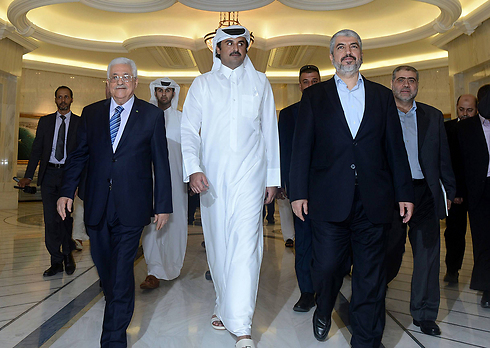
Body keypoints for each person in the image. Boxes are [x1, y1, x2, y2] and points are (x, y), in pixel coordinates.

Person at [289, 29, 414, 347]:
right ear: (331, 56)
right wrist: (298, 192)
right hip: (328, 199)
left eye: (354, 46)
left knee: (371, 276)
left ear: (361, 55)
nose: (348, 52)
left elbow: (395, 149)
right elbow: (302, 147)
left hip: (374, 200)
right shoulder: (314, 97)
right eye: (341, 47)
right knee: (329, 265)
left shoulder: (382, 96)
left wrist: (404, 193)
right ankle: (324, 306)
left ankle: (367, 340)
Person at [57, 57, 172, 348]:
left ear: (135, 82)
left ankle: (113, 340)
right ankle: (115, 300)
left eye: (126, 77)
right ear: (107, 84)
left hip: (133, 206)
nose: (120, 81)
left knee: (121, 273)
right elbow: (79, 156)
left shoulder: (151, 115)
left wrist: (163, 204)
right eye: (115, 77)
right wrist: (65, 191)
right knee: (105, 267)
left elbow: (161, 162)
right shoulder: (91, 113)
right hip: (96, 203)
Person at [181, 25, 280, 348]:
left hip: (251, 178)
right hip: (212, 181)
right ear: (218, 50)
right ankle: (223, 305)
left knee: (247, 247)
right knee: (221, 246)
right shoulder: (202, 85)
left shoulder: (261, 83)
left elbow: (270, 135)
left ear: (247, 48)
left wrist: (272, 179)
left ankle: (242, 326)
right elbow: (188, 132)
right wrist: (193, 169)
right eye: (229, 44)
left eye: (241, 43)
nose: (236, 48)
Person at [386, 66, 455, 336]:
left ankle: (425, 314)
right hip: (391, 198)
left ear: (417, 85)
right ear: (392, 83)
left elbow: (443, 158)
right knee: (387, 256)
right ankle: (372, 304)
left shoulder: (433, 116)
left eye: (411, 80)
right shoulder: (381, 115)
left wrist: (448, 191)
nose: (406, 85)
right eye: (401, 80)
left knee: (428, 258)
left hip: (424, 194)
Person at [18, 86, 80, 277]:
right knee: (51, 220)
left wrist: (80, 180)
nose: (62, 100)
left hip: (68, 177)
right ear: (55, 99)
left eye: (66, 97)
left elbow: (83, 153)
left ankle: (68, 253)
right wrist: (28, 175)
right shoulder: (45, 122)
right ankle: (56, 261)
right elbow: (36, 150)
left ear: (71, 99)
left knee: (65, 219)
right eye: (59, 97)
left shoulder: (79, 123)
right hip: (49, 175)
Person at [278, 64, 321, 312]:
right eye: (306, 82)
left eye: (315, 81)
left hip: (330, 188)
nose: (310, 86)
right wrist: (285, 184)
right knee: (303, 240)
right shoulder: (289, 114)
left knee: (329, 240)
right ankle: (306, 291)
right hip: (301, 189)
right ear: (300, 85)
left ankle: (326, 286)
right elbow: (284, 151)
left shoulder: (333, 110)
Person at [139, 77, 187, 289]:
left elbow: (191, 152)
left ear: (173, 94)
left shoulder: (183, 119)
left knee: (176, 224)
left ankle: (173, 266)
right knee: (152, 225)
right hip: (149, 180)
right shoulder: (146, 118)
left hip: (176, 182)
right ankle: (154, 271)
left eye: (167, 91)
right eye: (159, 91)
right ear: (154, 92)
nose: (163, 95)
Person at [457, 85, 490, 308]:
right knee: (484, 240)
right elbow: (460, 163)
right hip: (481, 190)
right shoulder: (467, 128)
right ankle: (487, 287)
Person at [443, 94, 478, 283]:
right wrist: (453, 191)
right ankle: (452, 270)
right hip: (455, 192)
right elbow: (446, 163)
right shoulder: (447, 129)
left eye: (469, 110)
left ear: (477, 110)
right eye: (461, 109)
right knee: (454, 233)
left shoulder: (483, 129)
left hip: (478, 192)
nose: (464, 114)